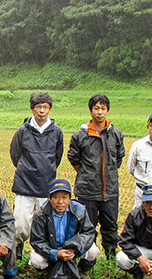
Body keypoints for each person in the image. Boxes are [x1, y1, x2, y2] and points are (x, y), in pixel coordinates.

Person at [67, 94, 125, 259]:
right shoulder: (80, 135)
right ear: (91, 110)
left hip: (110, 190)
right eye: (96, 108)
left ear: (107, 110)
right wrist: (86, 173)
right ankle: (88, 260)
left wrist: (108, 172)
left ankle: (110, 258)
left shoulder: (115, 134)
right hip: (87, 190)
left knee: (110, 226)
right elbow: (73, 158)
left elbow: (119, 158)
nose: (100, 112)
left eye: (103, 108)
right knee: (87, 226)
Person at [10, 92, 64, 260]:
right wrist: (26, 168)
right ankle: (17, 248)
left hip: (46, 187)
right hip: (24, 185)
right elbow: (15, 155)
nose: (42, 111)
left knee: (45, 225)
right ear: (32, 109)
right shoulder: (22, 131)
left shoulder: (56, 132)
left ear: (49, 109)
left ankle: (42, 257)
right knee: (21, 224)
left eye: (45, 107)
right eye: (38, 107)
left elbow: (58, 157)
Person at [29, 179, 99, 279]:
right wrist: (56, 254)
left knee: (93, 250)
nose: (60, 202)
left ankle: (82, 272)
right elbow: (37, 241)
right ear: (50, 198)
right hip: (52, 248)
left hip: (72, 248)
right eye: (56, 197)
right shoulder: (41, 214)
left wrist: (74, 248)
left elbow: (89, 232)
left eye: (64, 197)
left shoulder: (79, 210)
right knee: (36, 259)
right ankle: (50, 270)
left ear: (69, 199)